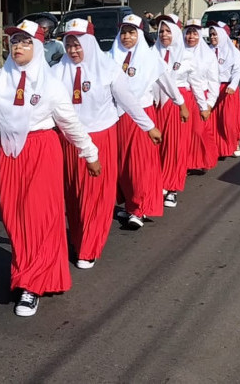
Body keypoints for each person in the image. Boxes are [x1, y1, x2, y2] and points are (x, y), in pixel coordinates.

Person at [0, 19, 100, 316]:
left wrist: (89, 153)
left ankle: (30, 284)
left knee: (38, 217)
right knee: (14, 216)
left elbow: (70, 124)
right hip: (10, 152)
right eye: (15, 41)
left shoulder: (51, 86)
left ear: (39, 46)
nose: (18, 46)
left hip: (42, 151)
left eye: (26, 41)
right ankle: (32, 269)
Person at [51, 18, 160, 268]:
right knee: (74, 196)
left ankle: (89, 246)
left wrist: (148, 126)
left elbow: (128, 100)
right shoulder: (56, 71)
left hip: (100, 138)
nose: (73, 50)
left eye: (77, 44)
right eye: (68, 44)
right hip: (69, 141)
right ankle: (79, 238)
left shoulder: (108, 68)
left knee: (96, 196)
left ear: (89, 43)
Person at [108, 14, 186, 227]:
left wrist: (180, 103)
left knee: (139, 164)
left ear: (139, 34)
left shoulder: (150, 59)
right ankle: (130, 205)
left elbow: (167, 82)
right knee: (122, 165)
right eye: (123, 32)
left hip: (141, 117)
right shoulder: (110, 57)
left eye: (131, 32)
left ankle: (140, 208)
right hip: (117, 117)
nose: (126, 37)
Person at [151, 16, 208, 208]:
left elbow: (196, 83)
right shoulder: (152, 53)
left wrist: (203, 105)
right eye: (161, 31)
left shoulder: (186, 56)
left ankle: (172, 187)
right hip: (157, 104)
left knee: (175, 146)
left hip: (178, 104)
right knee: (158, 146)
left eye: (168, 31)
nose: (164, 35)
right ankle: (158, 182)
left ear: (175, 33)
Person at [183, 19, 220, 172]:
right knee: (184, 133)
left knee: (199, 131)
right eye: (188, 33)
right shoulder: (179, 52)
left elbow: (213, 81)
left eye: (194, 33)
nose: (191, 37)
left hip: (201, 98)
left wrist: (209, 103)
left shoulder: (208, 55)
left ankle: (205, 158)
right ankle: (185, 163)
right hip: (183, 96)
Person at [207, 22, 240, 158]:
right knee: (213, 121)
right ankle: (218, 147)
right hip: (212, 88)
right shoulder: (207, 51)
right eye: (210, 35)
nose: (212, 37)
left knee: (228, 120)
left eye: (215, 34)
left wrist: (233, 85)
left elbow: (238, 70)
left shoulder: (233, 52)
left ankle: (234, 141)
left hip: (228, 90)